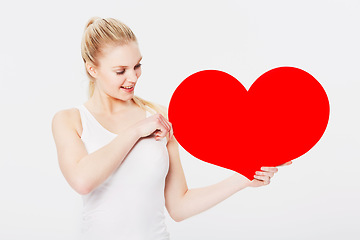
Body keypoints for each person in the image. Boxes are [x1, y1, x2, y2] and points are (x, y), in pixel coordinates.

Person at [51, 17, 292, 240]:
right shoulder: (70, 120)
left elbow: (179, 206)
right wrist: (135, 131)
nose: (133, 78)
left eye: (137, 66)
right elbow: (82, 180)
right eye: (120, 71)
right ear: (92, 69)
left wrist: (243, 179)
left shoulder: (160, 118)